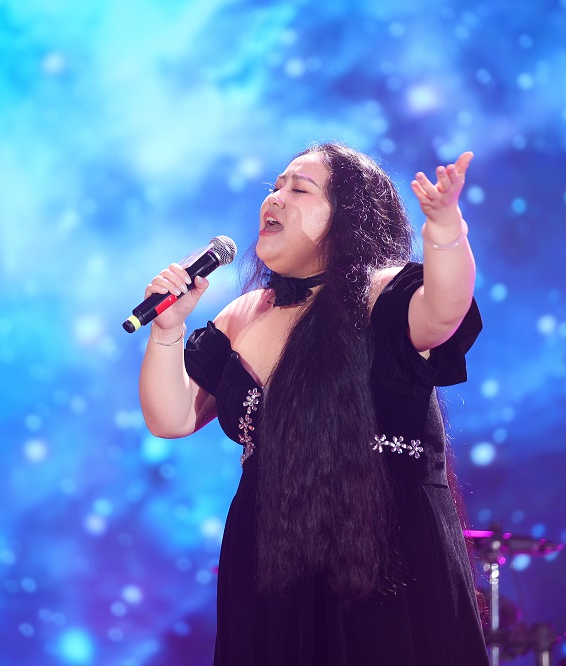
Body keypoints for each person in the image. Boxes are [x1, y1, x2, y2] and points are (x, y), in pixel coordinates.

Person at [137, 143, 488, 665]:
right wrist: (167, 329)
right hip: (268, 557)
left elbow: (443, 312)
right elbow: (170, 417)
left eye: (299, 189)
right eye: (275, 186)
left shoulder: (383, 293)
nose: (275, 198)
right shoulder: (242, 315)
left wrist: (444, 227)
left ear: (349, 216)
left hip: (384, 549)